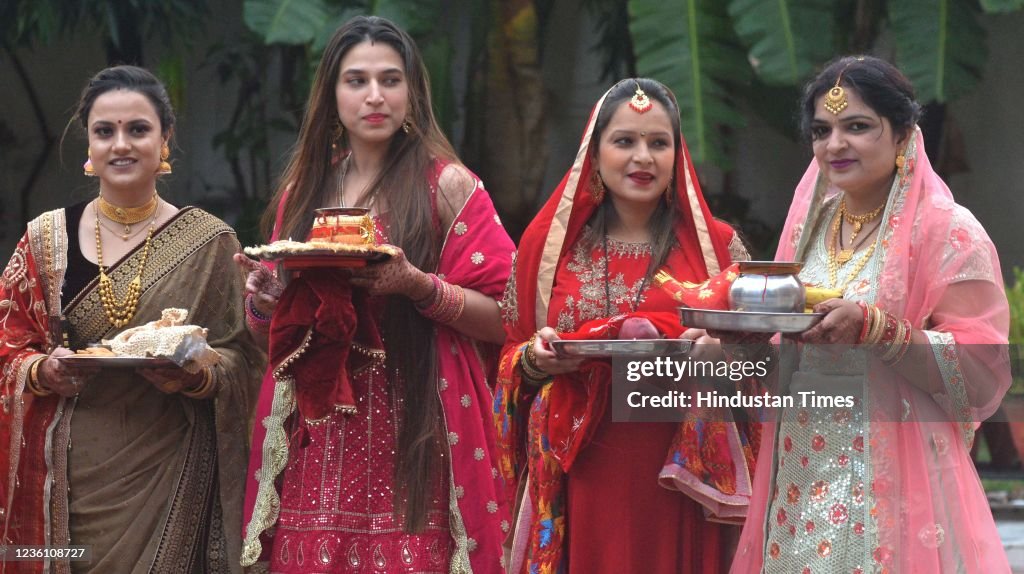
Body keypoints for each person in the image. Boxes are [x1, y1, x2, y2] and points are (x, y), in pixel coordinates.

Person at [236, 16, 514, 573]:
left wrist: (418, 285)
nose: (374, 96)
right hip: (319, 432)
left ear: (412, 93)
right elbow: (274, 337)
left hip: (417, 428)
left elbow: (507, 315)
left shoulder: (449, 186)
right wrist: (267, 302)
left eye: (390, 80)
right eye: (356, 81)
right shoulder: (305, 192)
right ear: (331, 95)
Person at [731, 56, 1012, 572]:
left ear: (902, 134)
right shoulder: (809, 225)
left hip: (894, 474)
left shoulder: (947, 231)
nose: (835, 144)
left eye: (857, 126)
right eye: (822, 130)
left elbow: (979, 370)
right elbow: (781, 345)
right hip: (801, 464)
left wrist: (875, 329)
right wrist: (737, 342)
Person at [0, 65, 263, 572]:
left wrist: (197, 376)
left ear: (165, 139)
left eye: (137, 129)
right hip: (69, 475)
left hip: (172, 467)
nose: (121, 144)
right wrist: (41, 370)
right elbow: (7, 344)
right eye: (105, 131)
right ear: (89, 144)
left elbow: (247, 358)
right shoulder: (45, 239)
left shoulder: (210, 243)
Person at [494, 78, 760, 574]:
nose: (643, 157)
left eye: (658, 142)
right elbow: (511, 353)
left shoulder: (718, 248)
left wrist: (721, 357)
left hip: (680, 474)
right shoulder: (548, 249)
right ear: (593, 154)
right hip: (582, 467)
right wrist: (536, 359)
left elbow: (762, 363)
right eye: (624, 141)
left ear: (677, 155)